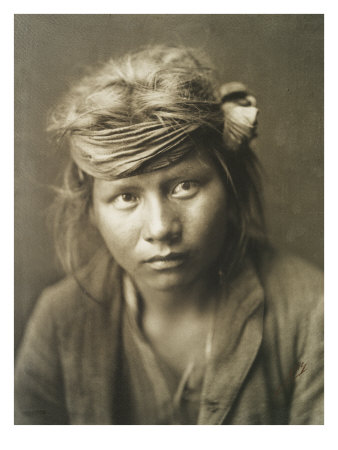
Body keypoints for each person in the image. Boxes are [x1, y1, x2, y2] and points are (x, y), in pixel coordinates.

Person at [14, 46, 323, 425]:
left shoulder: (313, 313)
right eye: (126, 197)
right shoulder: (59, 319)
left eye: (185, 186)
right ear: (91, 209)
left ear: (231, 187)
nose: (160, 228)